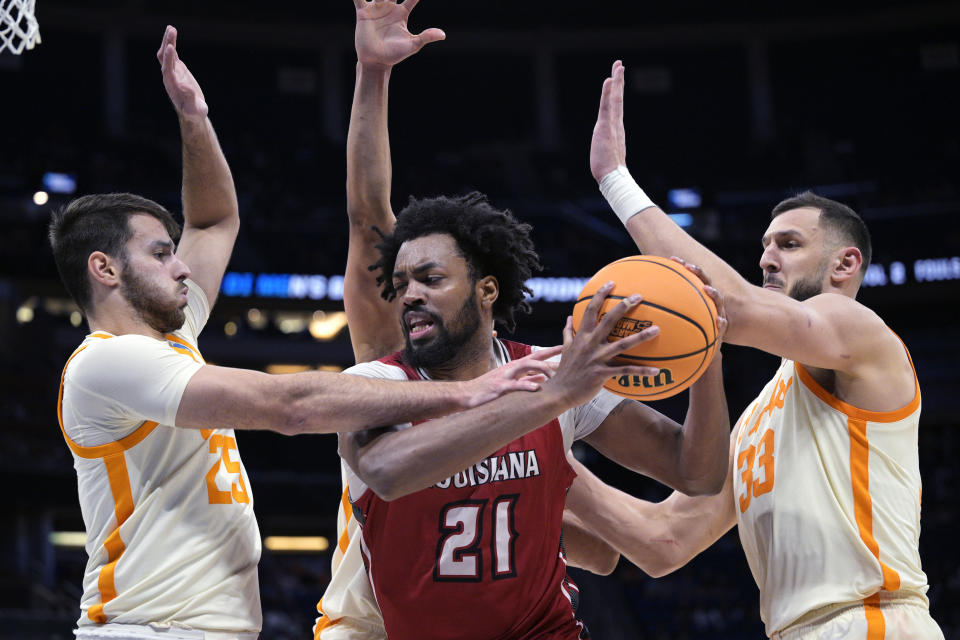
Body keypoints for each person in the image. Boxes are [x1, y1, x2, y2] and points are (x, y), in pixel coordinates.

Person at [49, 26, 576, 640]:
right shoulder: (108, 364)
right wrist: (465, 394)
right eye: (163, 254)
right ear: (104, 269)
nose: (183, 265)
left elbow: (215, 219)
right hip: (143, 629)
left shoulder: (171, 336)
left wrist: (195, 118)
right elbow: (289, 406)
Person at [314, 3, 732, 639]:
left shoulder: (548, 372)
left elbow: (695, 472)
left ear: (486, 290)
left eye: (429, 280)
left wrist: (707, 354)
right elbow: (366, 214)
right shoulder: (383, 374)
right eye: (401, 285)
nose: (408, 296)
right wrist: (372, 73)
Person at [570, 59, 945, 639]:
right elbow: (663, 543)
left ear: (846, 264)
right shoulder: (752, 424)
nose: (767, 257)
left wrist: (615, 180)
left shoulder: (857, 328)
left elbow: (732, 307)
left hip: (872, 623)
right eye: (765, 245)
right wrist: (544, 456)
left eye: (790, 244)